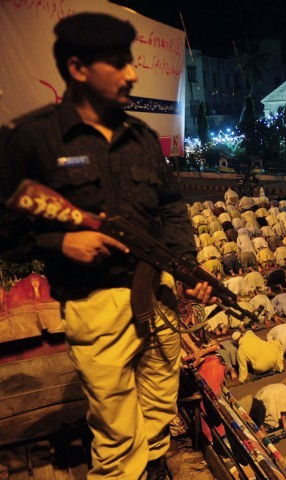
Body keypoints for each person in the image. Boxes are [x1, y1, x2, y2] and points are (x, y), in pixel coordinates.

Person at [0, 13, 215, 480]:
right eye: (118, 64)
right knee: (116, 424)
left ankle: (155, 462)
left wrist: (186, 268)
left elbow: (172, 206)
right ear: (78, 69)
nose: (133, 73)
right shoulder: (31, 139)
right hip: (94, 301)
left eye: (132, 62)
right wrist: (60, 240)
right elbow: (6, 228)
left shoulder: (139, 137)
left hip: (155, 288)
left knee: (160, 388)